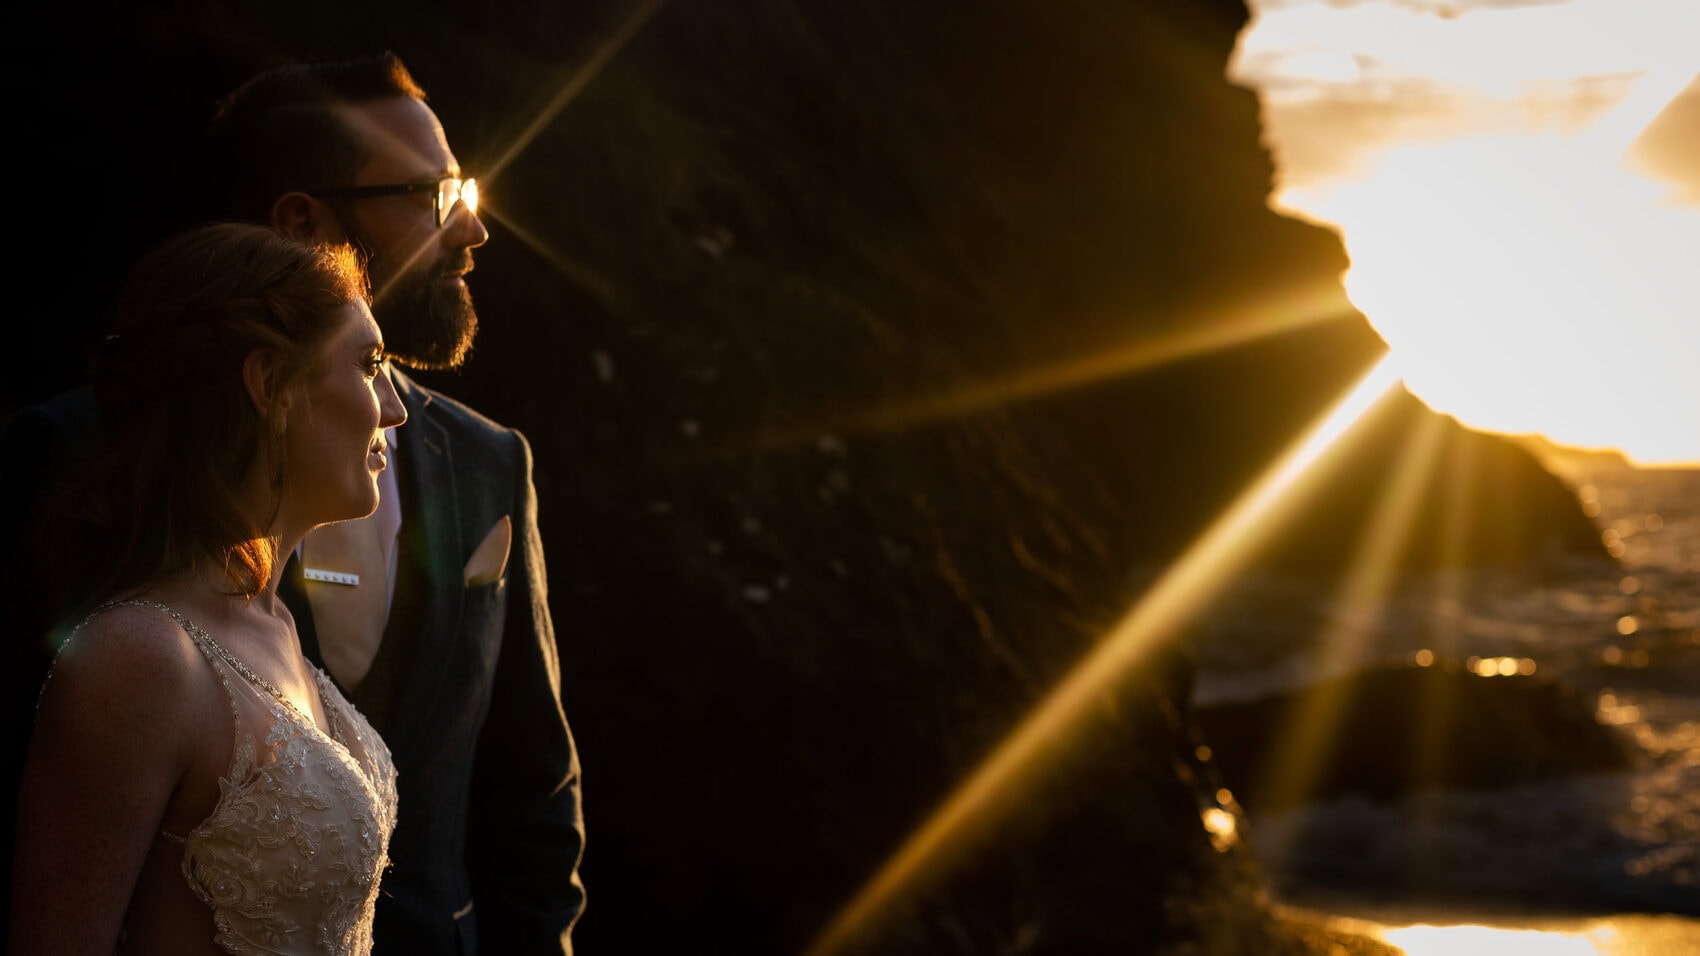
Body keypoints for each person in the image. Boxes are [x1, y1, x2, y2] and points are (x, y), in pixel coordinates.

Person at [3, 53, 585, 953]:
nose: (471, 230)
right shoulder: (75, 464)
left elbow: (531, 795)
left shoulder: (487, 461)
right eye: (431, 195)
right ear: (303, 222)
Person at [10, 222, 407, 952]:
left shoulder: (280, 626)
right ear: (270, 385)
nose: (395, 408)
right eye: (370, 362)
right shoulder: (141, 657)